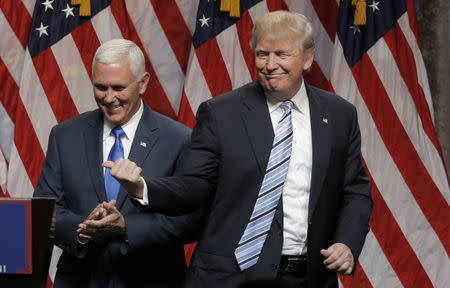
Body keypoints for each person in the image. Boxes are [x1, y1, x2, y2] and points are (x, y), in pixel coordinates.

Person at [107, 11, 372, 288]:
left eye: (282, 54)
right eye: (262, 54)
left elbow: (355, 191)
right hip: (229, 277)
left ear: (307, 58)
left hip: (308, 277)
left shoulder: (339, 115)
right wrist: (142, 187)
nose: (270, 65)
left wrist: (347, 243)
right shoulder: (220, 113)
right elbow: (193, 185)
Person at [33, 39, 201, 288]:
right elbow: (44, 210)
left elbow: (191, 220)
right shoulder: (65, 135)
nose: (109, 98)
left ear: (143, 83)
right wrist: (84, 228)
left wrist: (125, 227)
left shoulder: (179, 139)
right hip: (81, 280)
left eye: (118, 88)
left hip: (150, 279)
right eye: (101, 87)